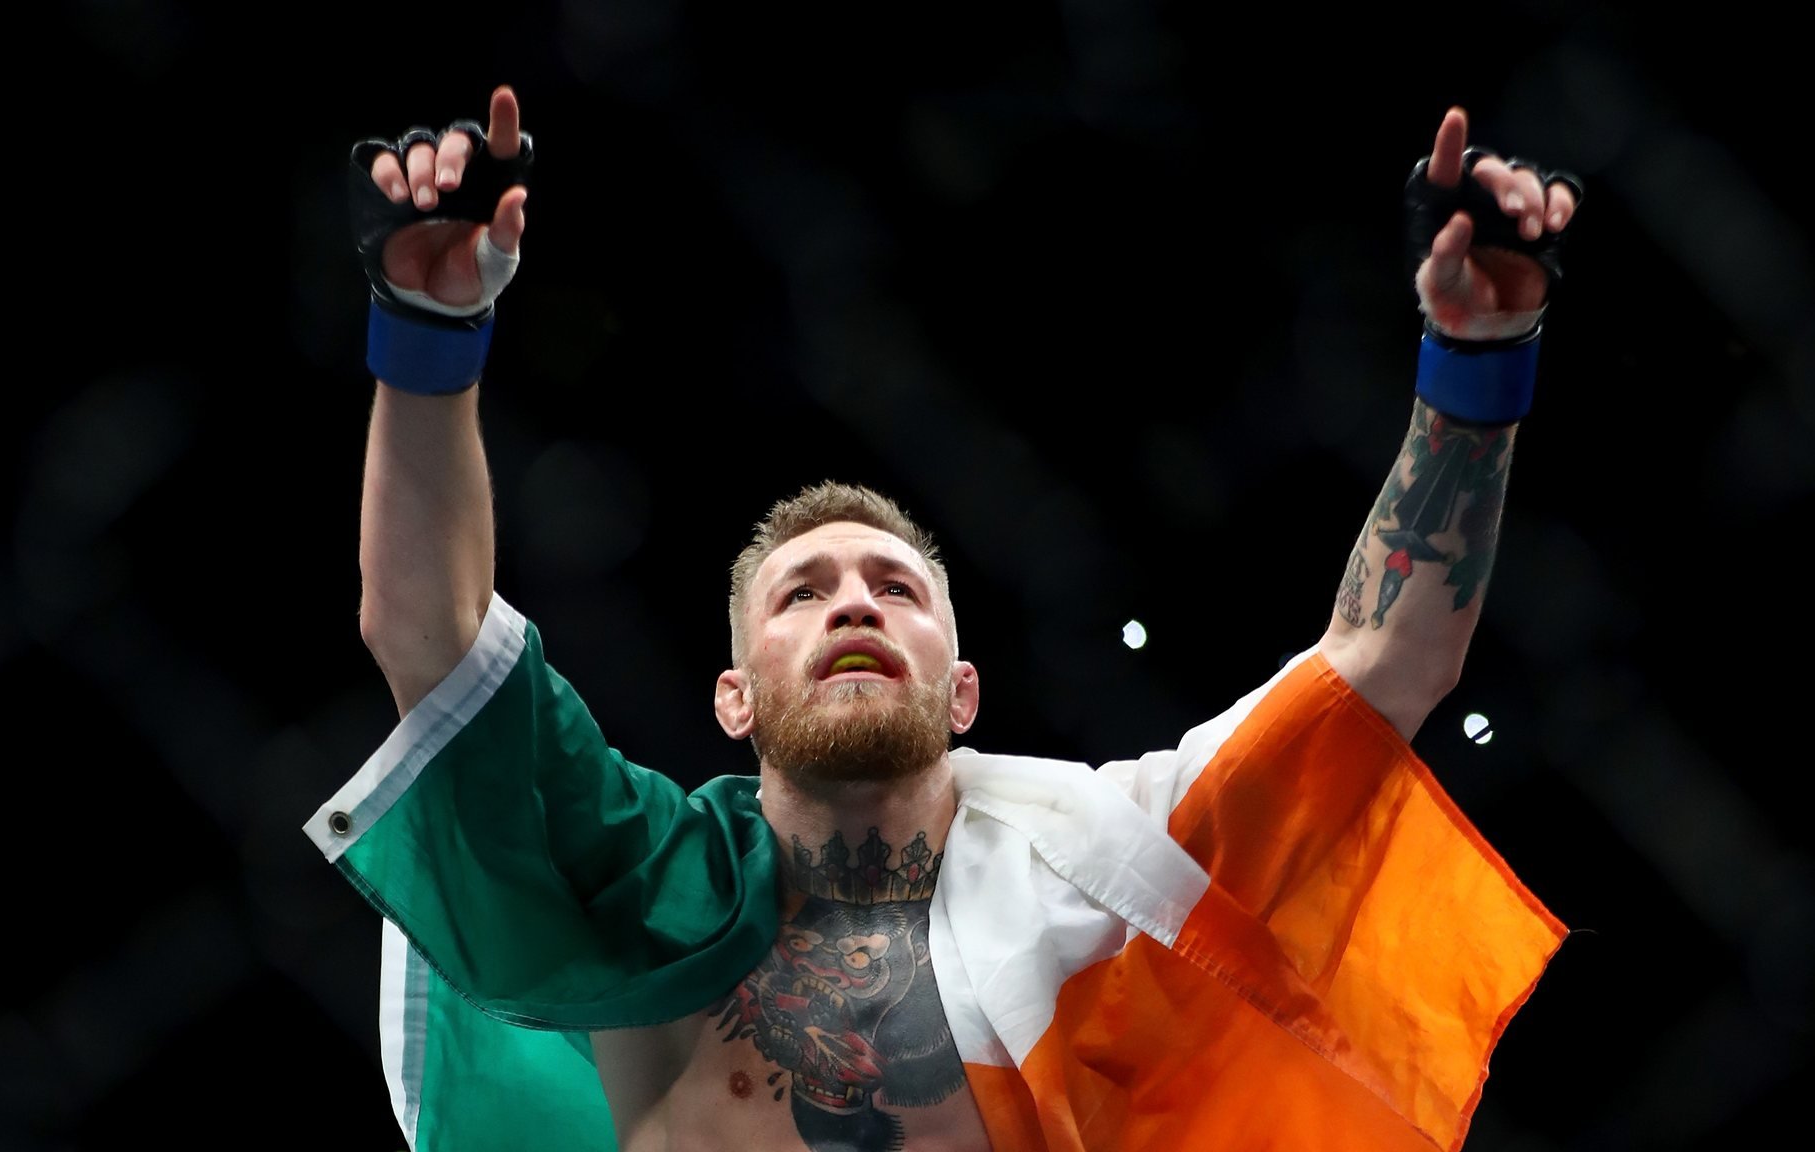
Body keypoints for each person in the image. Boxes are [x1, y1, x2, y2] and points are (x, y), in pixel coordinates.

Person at [306, 83, 1578, 1152]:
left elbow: (1386, 656)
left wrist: (1479, 357)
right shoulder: (638, 879)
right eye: (801, 594)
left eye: (894, 587)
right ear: (733, 694)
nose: (852, 598)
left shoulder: (1109, 870)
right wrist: (431, 332)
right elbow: (431, 633)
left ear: (960, 691)